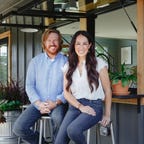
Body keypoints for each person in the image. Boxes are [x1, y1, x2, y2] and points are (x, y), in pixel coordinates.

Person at [55, 30, 112, 144]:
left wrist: (107, 115)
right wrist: (80, 106)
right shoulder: (68, 66)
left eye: (85, 43)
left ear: (90, 45)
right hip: (75, 106)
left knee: (73, 130)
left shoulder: (99, 64)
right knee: (59, 142)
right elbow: (66, 93)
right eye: (78, 43)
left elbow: (108, 90)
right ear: (74, 45)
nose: (81, 47)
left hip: (93, 105)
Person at [13, 29, 68, 144]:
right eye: (49, 40)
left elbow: (69, 87)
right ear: (44, 43)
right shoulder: (35, 62)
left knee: (59, 120)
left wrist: (56, 102)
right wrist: (38, 103)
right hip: (38, 103)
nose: (52, 43)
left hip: (57, 103)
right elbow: (29, 85)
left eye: (55, 40)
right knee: (19, 128)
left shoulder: (66, 62)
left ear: (60, 42)